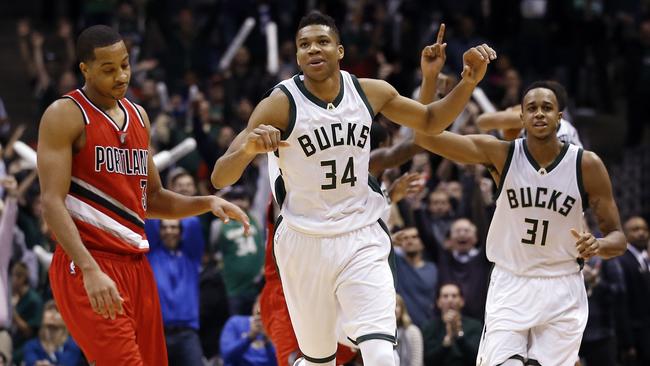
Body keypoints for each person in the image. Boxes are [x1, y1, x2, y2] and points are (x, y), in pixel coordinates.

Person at [212, 13, 495, 366]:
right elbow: (220, 177)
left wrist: (467, 81)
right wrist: (249, 149)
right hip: (305, 240)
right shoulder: (280, 103)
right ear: (297, 57)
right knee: (319, 361)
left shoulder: (369, 91)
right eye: (304, 45)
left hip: (361, 235)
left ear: (340, 50)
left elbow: (430, 121)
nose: (313, 49)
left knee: (380, 353)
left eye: (322, 41)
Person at [37, 25, 249, 365]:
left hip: (136, 265)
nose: (121, 76)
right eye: (108, 69)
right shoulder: (65, 115)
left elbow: (152, 198)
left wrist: (206, 202)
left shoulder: (139, 116)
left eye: (125, 64)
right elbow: (51, 202)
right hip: (88, 260)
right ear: (85, 69)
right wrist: (89, 269)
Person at [415, 72, 626, 364]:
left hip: (561, 285)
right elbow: (425, 136)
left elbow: (618, 237)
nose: (539, 113)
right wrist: (430, 79)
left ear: (559, 117)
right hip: (511, 281)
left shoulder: (586, 164)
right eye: (532, 108)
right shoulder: (500, 154)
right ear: (521, 118)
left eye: (547, 108)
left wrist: (599, 245)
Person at [147, 219, 204, 366]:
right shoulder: (151, 254)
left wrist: (175, 209)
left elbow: (193, 223)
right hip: (158, 333)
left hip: (187, 333)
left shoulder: (191, 256)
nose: (169, 231)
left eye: (174, 227)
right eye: (164, 228)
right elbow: (150, 220)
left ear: (181, 231)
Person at [475, 81, 583, 147]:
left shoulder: (564, 139)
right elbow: (482, 122)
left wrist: (509, 114)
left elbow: (483, 121)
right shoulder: (527, 120)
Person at [422, 283, 482, 366]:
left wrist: (459, 335)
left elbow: (477, 358)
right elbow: (428, 360)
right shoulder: (429, 328)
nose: (450, 300)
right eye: (445, 296)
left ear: (462, 301)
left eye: (454, 296)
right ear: (438, 302)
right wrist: (446, 342)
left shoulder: (475, 326)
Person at [618, 216, 650, 366]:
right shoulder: (622, 261)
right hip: (635, 335)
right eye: (635, 229)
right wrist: (627, 342)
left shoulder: (645, 259)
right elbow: (622, 303)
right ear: (625, 234)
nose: (641, 233)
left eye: (644, 229)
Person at [220, 297, 277, 366]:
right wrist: (250, 337)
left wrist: (267, 341)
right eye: (260, 304)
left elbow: (279, 362)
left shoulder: (276, 329)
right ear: (254, 306)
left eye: (266, 306)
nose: (261, 310)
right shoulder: (235, 322)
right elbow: (227, 356)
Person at [22, 300, 82, 366]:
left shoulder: (73, 344)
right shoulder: (31, 345)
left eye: (57, 310)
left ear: (66, 317)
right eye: (49, 309)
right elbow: (31, 362)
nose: (53, 313)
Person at [395, 294, 424, 366]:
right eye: (389, 306)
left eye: (396, 305)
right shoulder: (382, 334)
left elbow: (417, 362)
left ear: (402, 308)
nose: (393, 309)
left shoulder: (413, 332)